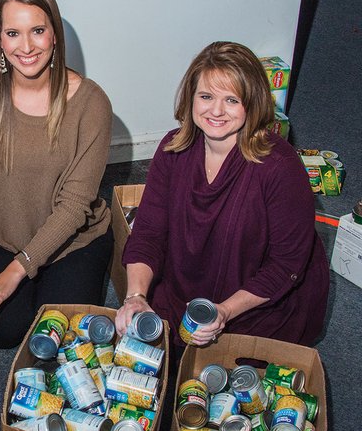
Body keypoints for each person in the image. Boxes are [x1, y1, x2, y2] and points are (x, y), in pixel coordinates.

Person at [116, 41, 329, 348]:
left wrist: (225, 311)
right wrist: (135, 297)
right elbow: (148, 232)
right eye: (206, 96)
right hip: (186, 286)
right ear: (191, 98)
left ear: (252, 104)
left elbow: (285, 265)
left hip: (257, 303)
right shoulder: (172, 149)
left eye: (231, 100)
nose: (216, 110)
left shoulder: (280, 168)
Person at [0, 0, 113, 348]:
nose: (26, 46)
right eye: (13, 33)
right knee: (1, 334)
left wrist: (14, 273)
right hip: (3, 238)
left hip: (73, 241)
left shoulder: (91, 104)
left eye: (38, 30)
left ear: (54, 34)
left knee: (61, 338)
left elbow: (73, 208)